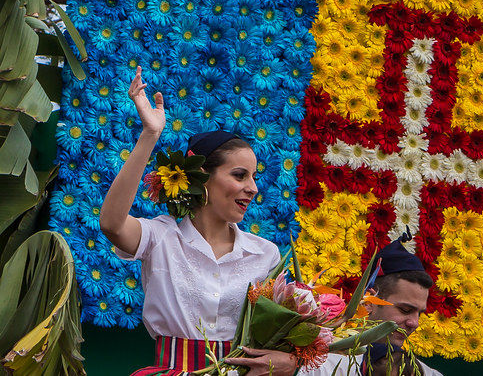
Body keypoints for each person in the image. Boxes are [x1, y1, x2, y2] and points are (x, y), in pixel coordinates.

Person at [100, 66, 297, 376]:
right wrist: (150, 135)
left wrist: (291, 361)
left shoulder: (266, 254)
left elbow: (278, 336)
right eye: (239, 175)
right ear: (203, 175)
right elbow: (112, 224)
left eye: (254, 177)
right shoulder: (160, 237)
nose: (254, 188)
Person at [304, 235, 442, 376]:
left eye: (419, 313)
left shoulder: (428, 374)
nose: (415, 323)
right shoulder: (317, 366)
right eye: (405, 310)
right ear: (369, 301)